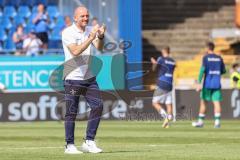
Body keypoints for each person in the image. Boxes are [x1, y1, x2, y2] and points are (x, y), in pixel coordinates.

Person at [62, 6, 106, 154]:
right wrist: (91, 37)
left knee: (98, 106)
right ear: (75, 18)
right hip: (72, 77)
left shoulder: (89, 31)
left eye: (87, 16)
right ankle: (69, 145)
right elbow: (75, 51)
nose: (86, 19)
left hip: (88, 77)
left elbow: (100, 48)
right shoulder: (67, 32)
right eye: (82, 16)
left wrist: (100, 36)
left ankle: (89, 141)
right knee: (71, 112)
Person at [192, 42, 226, 128]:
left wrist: (198, 83)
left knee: (203, 103)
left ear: (207, 48)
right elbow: (224, 71)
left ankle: (200, 122)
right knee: (216, 103)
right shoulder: (219, 58)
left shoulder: (205, 58)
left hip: (207, 84)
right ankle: (217, 123)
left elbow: (202, 70)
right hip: (216, 84)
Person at [151, 46, 176, 128]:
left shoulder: (161, 59)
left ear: (163, 51)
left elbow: (154, 69)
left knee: (155, 103)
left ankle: (166, 117)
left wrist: (154, 63)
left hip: (162, 83)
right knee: (169, 105)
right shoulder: (173, 61)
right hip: (169, 84)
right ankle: (168, 120)